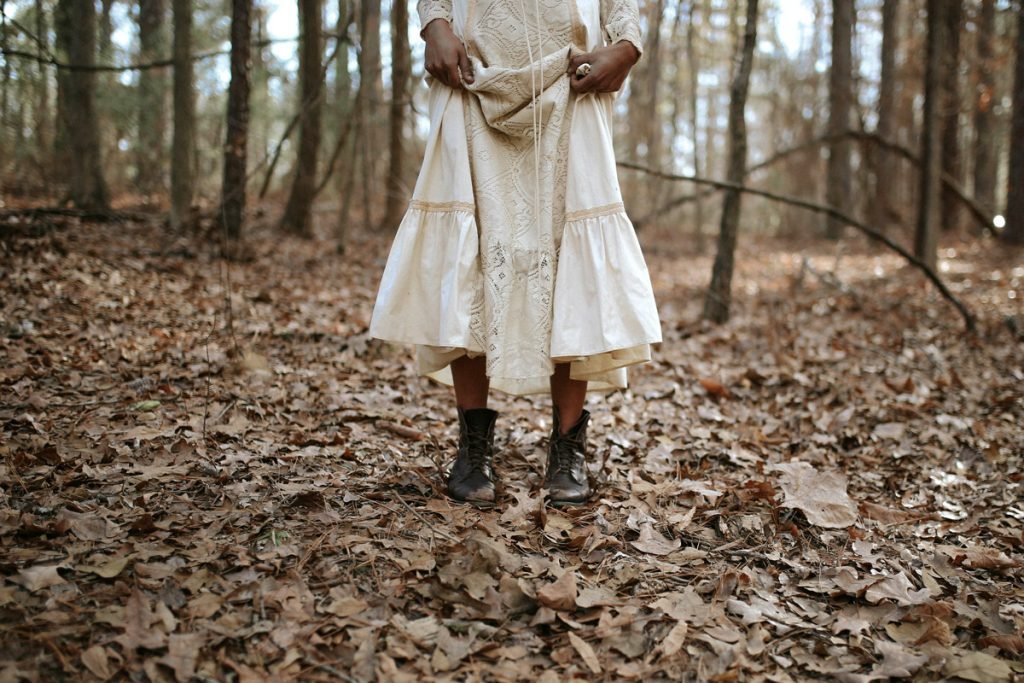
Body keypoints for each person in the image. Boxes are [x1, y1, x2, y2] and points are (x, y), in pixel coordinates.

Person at [369, 0, 662, 507]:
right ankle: (473, 446)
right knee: (476, 249)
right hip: (472, 77)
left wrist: (626, 46)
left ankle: (568, 446)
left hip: (572, 83)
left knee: (570, 254)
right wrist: (434, 23)